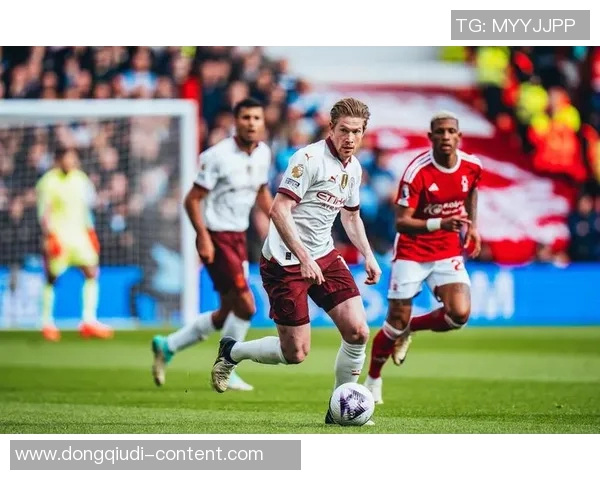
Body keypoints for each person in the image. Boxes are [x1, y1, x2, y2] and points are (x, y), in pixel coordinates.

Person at [209, 97, 382, 425]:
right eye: (344, 130)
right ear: (331, 129)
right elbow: (278, 210)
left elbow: (351, 216)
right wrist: (303, 258)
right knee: (296, 353)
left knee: (358, 331)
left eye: (356, 132)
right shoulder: (309, 159)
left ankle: (340, 408)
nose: (350, 138)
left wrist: (369, 255)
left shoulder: (354, 169)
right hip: (284, 262)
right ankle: (232, 351)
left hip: (323, 255)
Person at [151, 97, 273, 391]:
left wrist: (278, 222)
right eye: (246, 117)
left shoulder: (263, 153)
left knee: (225, 313)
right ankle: (227, 365)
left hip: (239, 237)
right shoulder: (217, 156)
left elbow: (261, 191)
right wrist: (202, 236)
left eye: (256, 118)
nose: (251, 123)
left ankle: (168, 345)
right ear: (235, 121)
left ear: (263, 122)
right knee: (246, 306)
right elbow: (192, 199)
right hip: (217, 237)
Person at [363, 111, 482, 404]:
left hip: (447, 249)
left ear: (459, 136)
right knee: (394, 321)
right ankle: (373, 379)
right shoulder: (417, 172)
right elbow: (401, 222)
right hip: (412, 251)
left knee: (459, 315)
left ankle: (411, 328)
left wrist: (472, 226)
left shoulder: (472, 166)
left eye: (450, 131)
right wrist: (440, 223)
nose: (445, 137)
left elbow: (472, 191)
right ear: (431, 137)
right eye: (439, 132)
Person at [35, 146, 113, 341]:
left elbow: (86, 209)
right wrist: (49, 236)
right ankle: (46, 323)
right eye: (67, 158)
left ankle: (88, 321)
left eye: (73, 158)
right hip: (59, 237)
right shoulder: (48, 182)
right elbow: (44, 212)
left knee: (91, 272)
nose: (71, 162)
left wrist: (91, 232)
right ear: (58, 160)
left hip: (80, 237)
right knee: (51, 278)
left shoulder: (81, 179)